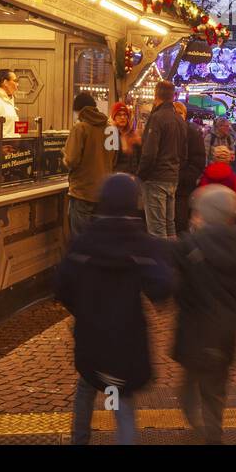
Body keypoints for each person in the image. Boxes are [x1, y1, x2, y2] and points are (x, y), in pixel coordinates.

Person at [55, 173, 173, 445]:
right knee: (122, 400)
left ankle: (79, 440)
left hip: (90, 330)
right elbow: (162, 286)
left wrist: (81, 310)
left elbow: (61, 285)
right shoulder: (141, 242)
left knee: (87, 384)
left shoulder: (84, 240)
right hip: (126, 332)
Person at [173, 184, 236, 444]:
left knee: (190, 379)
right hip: (224, 332)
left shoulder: (186, 246)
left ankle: (194, 423)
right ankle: (213, 434)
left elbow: (178, 290)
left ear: (205, 215)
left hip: (192, 329)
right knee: (215, 389)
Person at [137, 81, 186, 238]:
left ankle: (161, 262)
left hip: (156, 178)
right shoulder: (179, 120)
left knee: (157, 230)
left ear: (156, 95)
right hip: (172, 177)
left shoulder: (157, 118)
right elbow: (183, 153)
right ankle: (171, 260)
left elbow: (149, 153)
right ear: (173, 96)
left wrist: (141, 175)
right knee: (169, 225)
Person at [63, 92, 114, 235]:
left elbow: (71, 160)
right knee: (99, 239)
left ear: (79, 110)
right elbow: (113, 159)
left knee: (81, 241)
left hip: (82, 192)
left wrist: (64, 157)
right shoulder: (111, 129)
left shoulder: (80, 128)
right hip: (104, 192)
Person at [174, 101, 207, 236]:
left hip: (184, 187)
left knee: (181, 221)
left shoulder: (192, 133)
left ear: (184, 115)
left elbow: (198, 160)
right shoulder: (166, 132)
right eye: (174, 113)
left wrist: (184, 177)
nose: (176, 116)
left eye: (180, 113)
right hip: (167, 183)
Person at [110, 101, 142, 176]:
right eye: (119, 115)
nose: (123, 117)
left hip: (132, 178)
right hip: (115, 178)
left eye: (125, 115)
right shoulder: (110, 135)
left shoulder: (133, 135)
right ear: (113, 117)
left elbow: (138, 159)